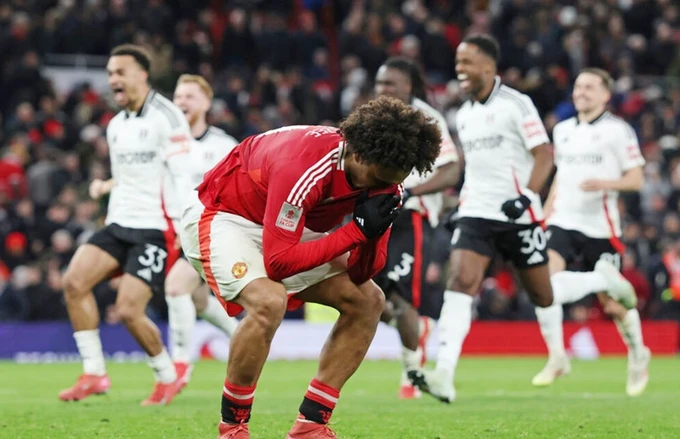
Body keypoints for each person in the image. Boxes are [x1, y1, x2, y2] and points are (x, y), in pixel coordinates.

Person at [180, 96, 441, 438]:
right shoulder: (304, 164)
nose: (385, 189)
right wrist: (355, 231)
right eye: (379, 180)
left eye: (393, 182)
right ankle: (233, 428)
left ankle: (311, 425)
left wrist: (372, 234)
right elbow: (278, 262)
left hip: (282, 227)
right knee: (269, 301)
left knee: (368, 301)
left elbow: (364, 272)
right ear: (359, 154)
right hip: (223, 217)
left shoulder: (386, 176)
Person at [58, 44, 193, 405]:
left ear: (142, 75)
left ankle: (166, 377)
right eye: (110, 74)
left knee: (130, 309)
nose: (113, 80)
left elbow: (183, 175)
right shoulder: (116, 126)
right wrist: (106, 187)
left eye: (120, 72)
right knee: (74, 282)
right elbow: (129, 176)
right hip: (119, 221)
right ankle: (94, 374)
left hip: (156, 228)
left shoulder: (167, 116)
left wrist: (184, 224)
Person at [532, 68, 650, 396]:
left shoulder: (618, 131)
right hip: (563, 220)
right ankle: (557, 357)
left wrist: (605, 183)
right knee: (545, 286)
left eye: (589, 87)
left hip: (601, 226)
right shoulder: (564, 130)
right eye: (578, 86)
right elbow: (562, 175)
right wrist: (546, 210)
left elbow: (636, 179)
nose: (581, 92)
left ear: (605, 95)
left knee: (613, 305)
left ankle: (639, 353)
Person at [373, 57, 459, 399]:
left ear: (408, 86)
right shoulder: (375, 119)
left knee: (399, 294)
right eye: (379, 84)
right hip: (374, 214)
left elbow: (450, 170)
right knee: (367, 295)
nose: (382, 91)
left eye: (389, 84)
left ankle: (411, 374)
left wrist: (409, 190)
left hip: (411, 215)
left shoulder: (427, 119)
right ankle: (415, 330)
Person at [164, 74, 239, 387]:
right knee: (195, 300)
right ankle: (243, 335)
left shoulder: (224, 146)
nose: (181, 102)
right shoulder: (166, 144)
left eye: (189, 96)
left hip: (213, 229)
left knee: (176, 287)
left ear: (206, 102)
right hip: (176, 231)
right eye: (178, 96)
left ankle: (180, 363)